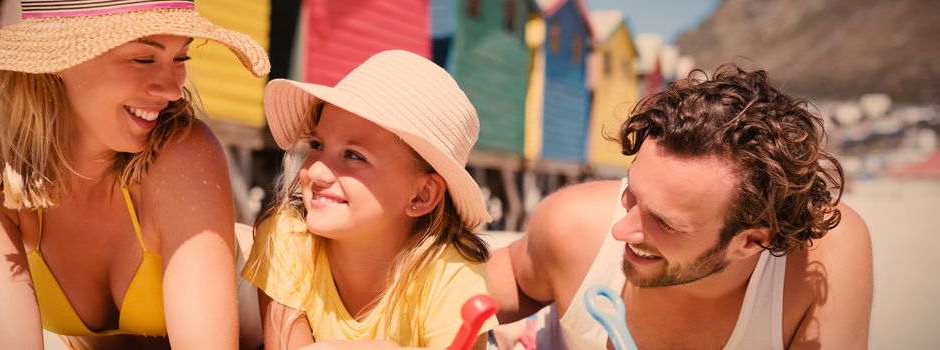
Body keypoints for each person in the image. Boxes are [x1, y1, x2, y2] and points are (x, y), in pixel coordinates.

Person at [0, 1, 269, 349]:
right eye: (144, 58)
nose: (172, 90)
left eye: (181, 58)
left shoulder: (184, 151)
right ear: (58, 58)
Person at [487, 65, 873, 349]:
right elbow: (477, 287)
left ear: (751, 241)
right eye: (631, 194)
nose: (621, 230)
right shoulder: (573, 226)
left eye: (665, 223)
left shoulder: (819, 263)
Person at [241, 50, 498, 350]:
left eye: (353, 156)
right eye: (317, 144)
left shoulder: (453, 278)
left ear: (421, 195)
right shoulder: (287, 236)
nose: (318, 171)